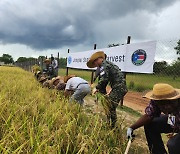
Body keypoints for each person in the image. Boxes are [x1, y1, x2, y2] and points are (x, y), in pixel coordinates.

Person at [127, 83, 180, 154]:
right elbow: (149, 115)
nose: (164, 107)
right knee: (151, 124)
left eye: (167, 102)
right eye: (161, 104)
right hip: (175, 121)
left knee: (174, 145)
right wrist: (131, 128)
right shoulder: (157, 101)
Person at [87, 51, 127, 128]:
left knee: (110, 106)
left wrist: (97, 88)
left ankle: (111, 126)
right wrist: (112, 88)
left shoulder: (104, 65)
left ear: (99, 59)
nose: (95, 65)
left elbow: (104, 79)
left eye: (95, 62)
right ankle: (110, 124)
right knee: (109, 106)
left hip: (119, 88)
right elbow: (115, 77)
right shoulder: (107, 64)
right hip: (117, 87)